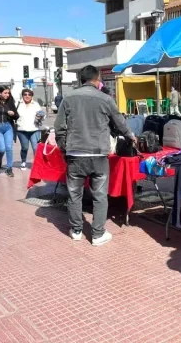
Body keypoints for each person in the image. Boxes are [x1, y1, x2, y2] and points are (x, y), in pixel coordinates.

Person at [55, 65, 136, 246]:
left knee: (74, 194)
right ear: (97, 78)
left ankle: (76, 230)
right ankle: (98, 234)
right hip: (98, 154)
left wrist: (64, 148)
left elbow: (59, 127)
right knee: (100, 195)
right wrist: (131, 136)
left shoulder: (68, 98)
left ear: (81, 79)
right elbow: (120, 123)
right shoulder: (105, 99)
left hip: (75, 152)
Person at [16, 88, 44, 170]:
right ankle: (23, 161)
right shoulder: (18, 104)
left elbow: (41, 114)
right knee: (25, 148)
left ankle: (37, 163)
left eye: (29, 94)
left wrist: (40, 116)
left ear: (32, 96)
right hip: (22, 130)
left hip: (34, 129)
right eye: (25, 94)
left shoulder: (35, 104)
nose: (27, 96)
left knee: (36, 148)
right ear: (22, 95)